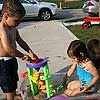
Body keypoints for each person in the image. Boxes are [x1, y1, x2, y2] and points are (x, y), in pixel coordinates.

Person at [0, 0, 39, 100]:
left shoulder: (13, 28)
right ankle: (10, 97)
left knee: (13, 80)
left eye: (20, 21)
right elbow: (8, 49)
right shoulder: (2, 29)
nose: (18, 23)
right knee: (8, 85)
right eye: (16, 20)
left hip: (11, 60)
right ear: (5, 16)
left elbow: (20, 41)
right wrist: (23, 56)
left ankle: (14, 95)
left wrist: (30, 52)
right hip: (3, 63)